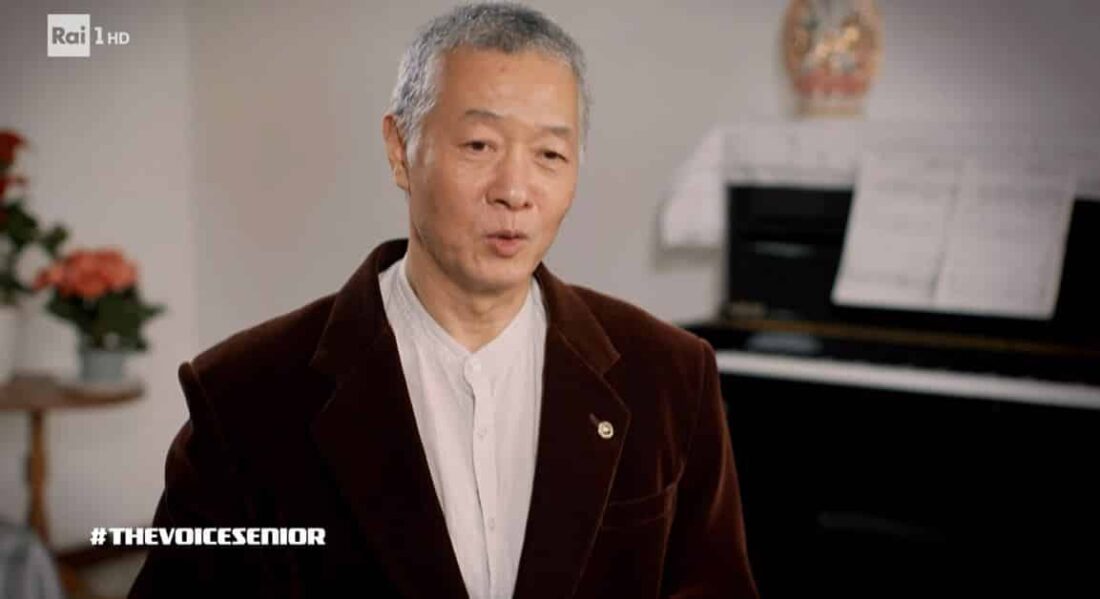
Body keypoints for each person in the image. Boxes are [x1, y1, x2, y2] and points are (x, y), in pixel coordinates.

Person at [129, 3, 757, 598]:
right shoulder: (244, 395)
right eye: (479, 145)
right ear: (400, 150)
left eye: (549, 154)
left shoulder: (669, 375)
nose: (515, 191)